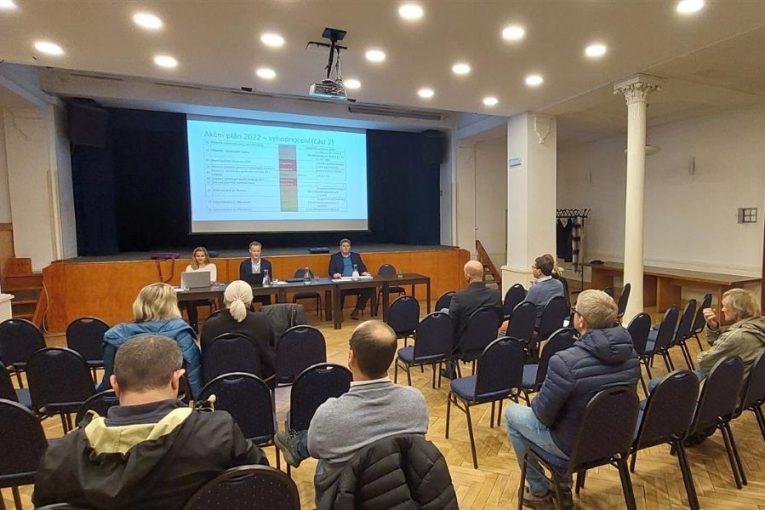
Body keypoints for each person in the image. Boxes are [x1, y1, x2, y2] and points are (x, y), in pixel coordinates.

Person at [33, 335, 268, 510]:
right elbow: (262, 484)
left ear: (114, 385)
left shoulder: (60, 456)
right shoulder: (217, 433)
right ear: (176, 380)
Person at [505, 289, 640, 509]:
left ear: (581, 321)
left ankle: (540, 489)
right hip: (614, 439)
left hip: (573, 447)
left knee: (512, 414)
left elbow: (542, 415)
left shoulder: (565, 362)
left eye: (575, 310)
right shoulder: (632, 356)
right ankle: (562, 486)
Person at [274, 321, 428, 488]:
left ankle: (296, 444)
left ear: (351, 357)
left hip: (348, 494)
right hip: (400, 486)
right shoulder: (416, 400)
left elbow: (315, 449)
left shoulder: (329, 413)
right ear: (390, 359)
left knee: (323, 446)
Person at [98, 282, 203, 399]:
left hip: (129, 400)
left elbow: (109, 379)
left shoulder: (114, 335)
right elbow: (194, 373)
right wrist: (200, 401)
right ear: (172, 306)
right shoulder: (181, 333)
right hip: (173, 399)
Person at [200, 280, 277, 381]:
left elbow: (205, 355)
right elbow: (271, 349)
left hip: (218, 383)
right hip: (258, 382)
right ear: (250, 299)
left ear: (225, 298)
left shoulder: (209, 326)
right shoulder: (262, 321)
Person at [444, 260, 502, 376]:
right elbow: (499, 320)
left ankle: (450, 370)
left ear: (467, 276)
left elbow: (451, 325)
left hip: (463, 346)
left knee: (444, 316)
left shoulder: (459, 297)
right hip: (488, 340)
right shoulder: (495, 295)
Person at [698, 288, 765, 379]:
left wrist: (701, 355)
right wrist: (714, 328)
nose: (722, 309)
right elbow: (726, 347)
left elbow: (705, 363)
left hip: (729, 382)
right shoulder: (759, 325)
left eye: (725, 306)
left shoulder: (737, 336)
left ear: (737, 309)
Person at [328, 238, 373, 320]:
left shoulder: (356, 256)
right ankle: (339, 312)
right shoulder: (335, 257)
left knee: (369, 288)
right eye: (344, 246)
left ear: (350, 247)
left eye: (347, 246)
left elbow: (362, 268)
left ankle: (357, 310)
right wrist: (335, 274)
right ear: (340, 247)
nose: (346, 248)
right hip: (343, 282)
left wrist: (364, 273)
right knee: (338, 291)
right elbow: (331, 270)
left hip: (355, 282)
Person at [182, 246, 217, 331]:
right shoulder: (190, 267)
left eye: (202, 256)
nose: (200, 258)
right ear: (194, 257)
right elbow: (186, 282)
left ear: (206, 256)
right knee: (189, 300)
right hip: (193, 295)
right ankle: (194, 325)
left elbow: (213, 280)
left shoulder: (211, 266)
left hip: (207, 294)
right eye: (198, 256)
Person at [524, 255, 566, 327]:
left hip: (537, 324)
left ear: (539, 271)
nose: (532, 269)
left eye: (534, 267)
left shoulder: (535, 289)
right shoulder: (559, 284)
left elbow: (525, 309)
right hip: (555, 322)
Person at [239, 241, 273, 306]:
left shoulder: (267, 264)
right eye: (254, 251)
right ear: (250, 251)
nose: (256, 253)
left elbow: (269, 279)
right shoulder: (244, 264)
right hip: (249, 292)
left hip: (264, 292)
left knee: (266, 301)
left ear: (260, 251)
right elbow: (242, 281)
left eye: (258, 251)